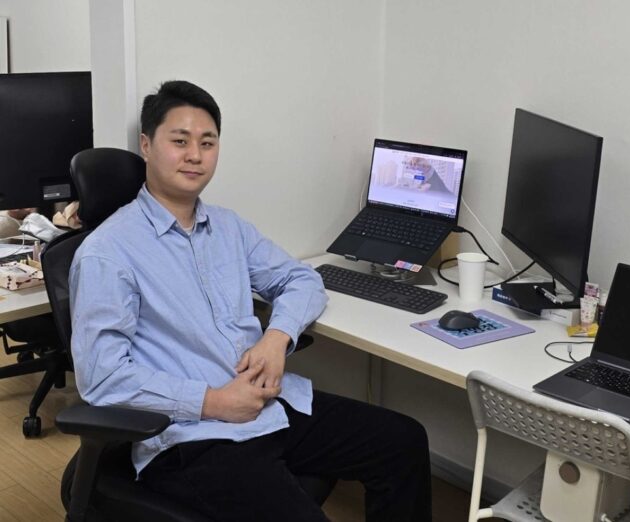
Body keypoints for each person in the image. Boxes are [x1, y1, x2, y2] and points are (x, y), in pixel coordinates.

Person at [69, 80, 431, 522]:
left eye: (207, 143)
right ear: (147, 145)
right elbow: (102, 377)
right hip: (193, 438)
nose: (195, 155)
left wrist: (277, 338)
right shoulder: (109, 252)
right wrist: (213, 402)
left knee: (402, 440)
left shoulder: (228, 228)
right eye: (179, 141)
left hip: (270, 407)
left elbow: (302, 279)